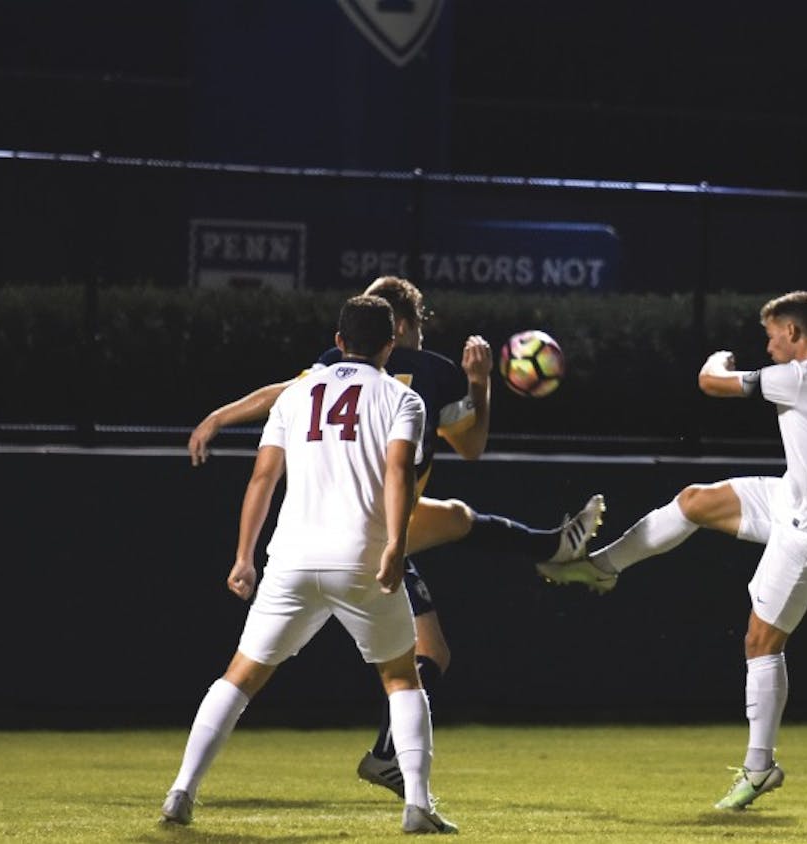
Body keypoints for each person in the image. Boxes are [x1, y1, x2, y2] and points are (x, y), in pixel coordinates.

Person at [188, 276, 604, 796]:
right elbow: (469, 447)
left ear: (345, 339)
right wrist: (481, 383)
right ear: (399, 329)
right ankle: (399, 766)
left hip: (312, 532)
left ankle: (185, 787)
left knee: (452, 520)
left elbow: (283, 400)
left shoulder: (325, 371)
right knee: (413, 664)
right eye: (419, 324)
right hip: (378, 528)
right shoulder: (430, 376)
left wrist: (220, 416)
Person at [538, 290, 807, 810]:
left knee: (760, 642)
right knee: (696, 502)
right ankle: (602, 568)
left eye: (773, 335)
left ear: (795, 333)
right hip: (797, 499)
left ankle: (760, 766)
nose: (769, 346)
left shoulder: (797, 377)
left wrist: (719, 359)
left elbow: (710, 382)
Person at [160, 295, 456, 833]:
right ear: (390, 345)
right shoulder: (400, 398)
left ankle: (181, 791)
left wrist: (244, 556)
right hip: (361, 559)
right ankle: (417, 805)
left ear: (338, 341)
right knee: (401, 678)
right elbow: (398, 474)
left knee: (240, 677)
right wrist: (395, 545)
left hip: (292, 559)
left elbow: (263, 479)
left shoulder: (296, 395)